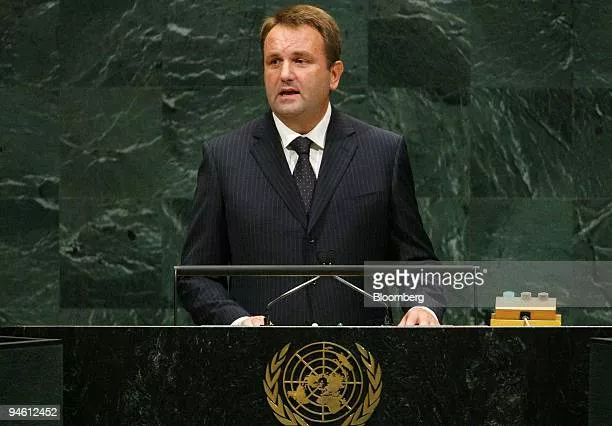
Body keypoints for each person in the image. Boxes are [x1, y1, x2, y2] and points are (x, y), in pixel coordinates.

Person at [179, 4, 444, 326]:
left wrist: (423, 306)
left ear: (334, 75)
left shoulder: (383, 152)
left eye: (300, 60)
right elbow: (196, 275)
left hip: (361, 353)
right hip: (260, 353)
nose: (285, 74)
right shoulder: (224, 157)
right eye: (274, 62)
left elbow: (417, 261)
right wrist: (238, 323)